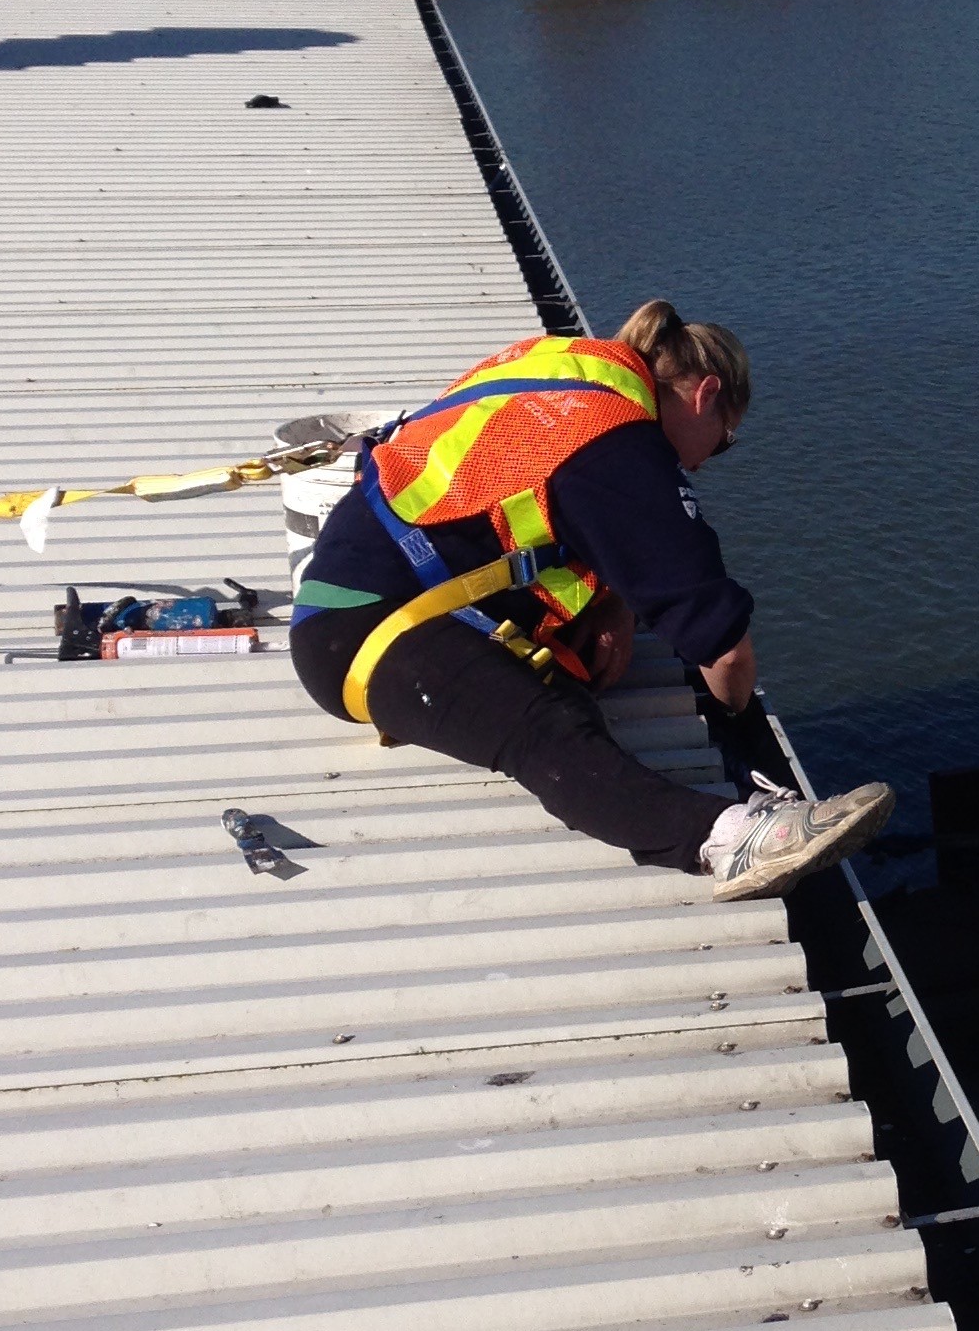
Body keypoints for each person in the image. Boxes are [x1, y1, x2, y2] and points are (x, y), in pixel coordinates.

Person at [289, 299, 891, 899]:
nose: (706, 463)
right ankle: (728, 841)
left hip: (375, 581)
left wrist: (614, 604)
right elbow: (723, 650)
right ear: (705, 395)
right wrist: (738, 725)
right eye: (723, 441)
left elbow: (541, 498)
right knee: (548, 729)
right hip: (362, 634)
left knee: (571, 681)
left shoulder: (570, 370)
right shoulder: (620, 446)